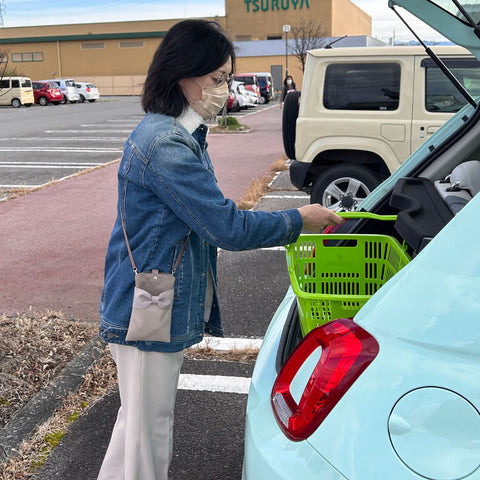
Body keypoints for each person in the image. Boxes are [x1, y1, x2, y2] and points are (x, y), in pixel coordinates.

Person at [97, 19, 343, 480]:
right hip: (149, 304)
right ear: (182, 76)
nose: (225, 89)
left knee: (137, 425)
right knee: (149, 431)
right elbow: (225, 226)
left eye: (227, 78)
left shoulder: (178, 134)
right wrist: (298, 220)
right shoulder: (166, 143)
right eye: (216, 79)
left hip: (147, 298)